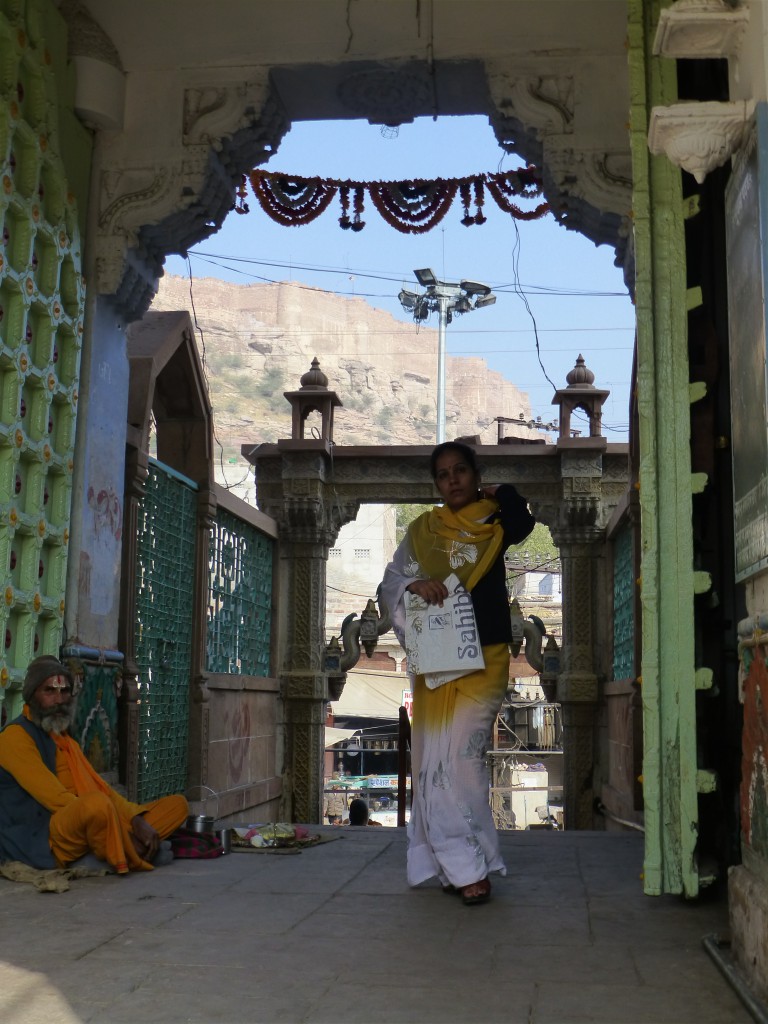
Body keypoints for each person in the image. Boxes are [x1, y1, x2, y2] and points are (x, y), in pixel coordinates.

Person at [381, 441, 535, 905]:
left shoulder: (494, 521)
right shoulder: (424, 530)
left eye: (461, 471)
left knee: (463, 759)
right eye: (443, 474)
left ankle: (468, 861)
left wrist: (500, 489)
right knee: (435, 761)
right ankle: (462, 867)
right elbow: (391, 580)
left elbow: (525, 520)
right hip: (439, 662)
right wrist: (414, 584)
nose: (452, 480)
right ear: (436, 484)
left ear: (475, 474)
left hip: (485, 658)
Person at [0, 655, 189, 874]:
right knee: (96, 807)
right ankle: (122, 851)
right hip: (41, 836)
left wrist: (136, 821)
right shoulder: (14, 737)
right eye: (49, 691)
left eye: (64, 691)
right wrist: (118, 829)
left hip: (87, 822)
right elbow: (57, 800)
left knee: (178, 806)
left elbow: (104, 790)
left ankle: (111, 849)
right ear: (31, 697)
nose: (59, 700)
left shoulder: (65, 740)